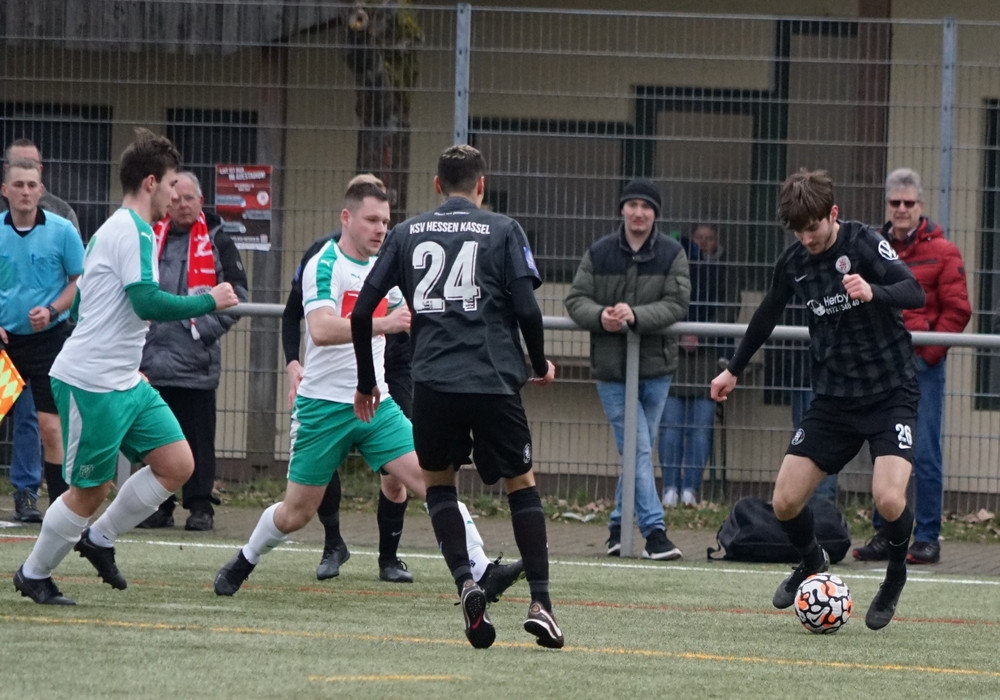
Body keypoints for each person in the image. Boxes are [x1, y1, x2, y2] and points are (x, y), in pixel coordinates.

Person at [215, 176, 523, 606]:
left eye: (386, 221)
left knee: (433, 481)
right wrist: (385, 323)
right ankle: (245, 558)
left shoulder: (388, 267)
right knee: (296, 513)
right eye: (372, 220)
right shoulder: (326, 263)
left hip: (377, 404)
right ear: (347, 217)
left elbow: (414, 314)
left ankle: (482, 569)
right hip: (323, 407)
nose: (381, 229)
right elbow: (320, 330)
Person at [12, 128, 239, 605]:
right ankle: (34, 573)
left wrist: (126, 359)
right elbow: (146, 302)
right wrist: (209, 299)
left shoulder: (122, 229)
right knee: (90, 491)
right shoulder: (132, 231)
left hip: (124, 379)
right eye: (172, 185)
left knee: (177, 464)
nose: (176, 195)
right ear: (151, 182)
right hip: (92, 381)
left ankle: (100, 539)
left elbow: (88, 305)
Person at [351, 144, 563, 650]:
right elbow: (528, 310)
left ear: (436, 185)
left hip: (434, 383)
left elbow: (361, 313)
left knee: (440, 486)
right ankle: (541, 604)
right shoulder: (504, 229)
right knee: (521, 484)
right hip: (493, 381)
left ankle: (467, 584)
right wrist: (538, 365)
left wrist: (366, 381)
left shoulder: (406, 233)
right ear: (481, 185)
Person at [710, 169, 925, 631]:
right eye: (798, 231)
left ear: (833, 214)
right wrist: (734, 369)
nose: (806, 238)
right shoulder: (794, 262)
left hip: (890, 394)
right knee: (785, 502)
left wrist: (874, 291)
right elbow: (767, 313)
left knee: (888, 498)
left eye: (813, 228)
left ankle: (895, 574)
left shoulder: (864, 244)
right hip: (833, 400)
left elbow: (915, 291)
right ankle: (812, 561)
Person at [565, 178, 690, 560]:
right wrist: (600, 316)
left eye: (646, 206)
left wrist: (636, 315)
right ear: (622, 209)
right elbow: (576, 299)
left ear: (655, 213)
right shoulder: (599, 252)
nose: (639, 213)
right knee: (637, 449)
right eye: (632, 205)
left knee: (637, 453)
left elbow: (677, 303)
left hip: (657, 368)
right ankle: (654, 533)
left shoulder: (672, 253)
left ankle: (618, 528)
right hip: (612, 371)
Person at [853, 168, 971, 566]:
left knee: (925, 452)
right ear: (887, 205)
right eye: (895, 202)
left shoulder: (944, 251)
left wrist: (928, 352)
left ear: (920, 205)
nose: (901, 209)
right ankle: (886, 536)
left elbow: (958, 310)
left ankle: (927, 538)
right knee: (884, 449)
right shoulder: (872, 247)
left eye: (908, 202)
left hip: (923, 366)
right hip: (882, 365)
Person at [133, 171, 248, 532]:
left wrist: (200, 331)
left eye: (189, 198)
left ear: (201, 202)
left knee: (198, 438)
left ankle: (200, 506)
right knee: (155, 437)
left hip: (196, 362)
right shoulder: (149, 237)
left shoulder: (218, 240)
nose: (182, 205)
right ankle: (158, 505)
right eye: (176, 198)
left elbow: (238, 296)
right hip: (152, 359)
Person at [0, 158, 84, 524]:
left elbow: (79, 280)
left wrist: (51, 310)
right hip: (6, 346)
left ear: (41, 190)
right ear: (5, 190)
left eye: (32, 185)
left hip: (49, 343)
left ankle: (60, 507)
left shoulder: (62, 231)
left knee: (51, 427)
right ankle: (22, 494)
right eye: (18, 185)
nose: (25, 192)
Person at [658, 224, 734, 508]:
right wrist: (678, 331)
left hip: (709, 359)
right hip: (673, 358)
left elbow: (730, 306)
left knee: (701, 427)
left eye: (710, 238)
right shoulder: (674, 266)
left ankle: (690, 490)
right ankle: (669, 489)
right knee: (670, 426)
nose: (704, 243)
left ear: (717, 242)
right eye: (699, 238)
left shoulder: (723, 270)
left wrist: (702, 332)